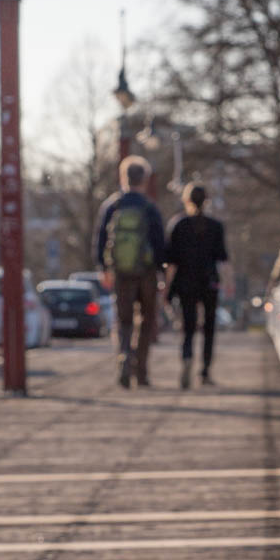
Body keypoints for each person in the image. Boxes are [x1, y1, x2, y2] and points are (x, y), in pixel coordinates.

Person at [95, 156, 166, 389]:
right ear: (144, 180)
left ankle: (124, 358)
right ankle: (141, 371)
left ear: (123, 178)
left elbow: (101, 239)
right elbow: (159, 243)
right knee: (146, 322)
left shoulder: (112, 206)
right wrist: (161, 273)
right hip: (146, 272)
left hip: (121, 271)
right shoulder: (149, 207)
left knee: (123, 320)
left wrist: (104, 268)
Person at [165, 182, 230, 389]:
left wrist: (166, 289)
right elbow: (223, 259)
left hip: (185, 282)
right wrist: (228, 283)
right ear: (206, 201)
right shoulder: (215, 226)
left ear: (187, 200)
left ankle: (186, 357)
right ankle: (205, 371)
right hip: (209, 281)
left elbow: (171, 263)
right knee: (209, 328)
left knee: (188, 326)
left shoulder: (178, 225)